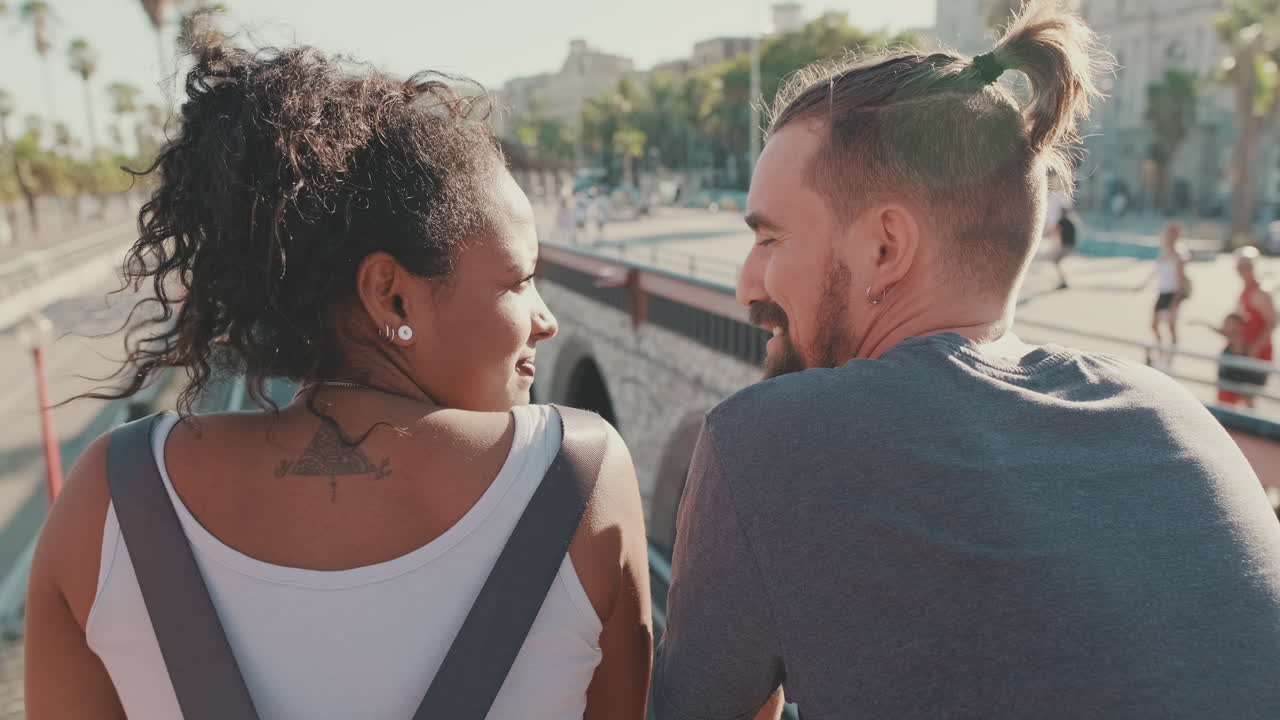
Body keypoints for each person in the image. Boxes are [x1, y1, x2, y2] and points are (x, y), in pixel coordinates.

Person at [654, 3, 1280, 719]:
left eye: (769, 240)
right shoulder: (1175, 415)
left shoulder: (766, 439)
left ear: (885, 249)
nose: (745, 283)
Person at [25, 44, 652, 719]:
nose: (546, 321)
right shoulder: (580, 478)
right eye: (518, 281)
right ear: (392, 296)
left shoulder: (111, 497)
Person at [1220, 246, 1276, 407]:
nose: (1243, 271)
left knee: (1248, 394)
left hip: (1256, 351)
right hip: (1243, 349)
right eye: (1240, 267)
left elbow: (1272, 322)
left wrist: (1255, 348)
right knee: (1237, 394)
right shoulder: (1245, 290)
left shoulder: (1260, 293)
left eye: (1248, 267)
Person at [1140, 221, 1191, 369]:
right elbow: (1157, 270)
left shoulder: (1180, 255)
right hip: (1162, 291)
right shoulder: (1164, 251)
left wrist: (1175, 302)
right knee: (1154, 325)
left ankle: (1169, 359)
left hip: (1173, 293)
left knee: (1171, 327)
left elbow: (1181, 280)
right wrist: (1144, 284)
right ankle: (1161, 352)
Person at [1201, 313, 1268, 407]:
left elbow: (1242, 356)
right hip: (1233, 377)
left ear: (1237, 326)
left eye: (1228, 323)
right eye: (1225, 323)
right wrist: (1202, 323)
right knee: (1240, 400)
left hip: (1239, 377)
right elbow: (1220, 331)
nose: (1224, 325)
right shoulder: (1232, 337)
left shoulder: (1237, 339)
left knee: (1245, 399)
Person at [1044, 182, 1075, 288]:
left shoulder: (1062, 221)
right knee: (1056, 261)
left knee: (1055, 261)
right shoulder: (1070, 221)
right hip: (1070, 246)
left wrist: (1048, 237)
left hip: (1066, 246)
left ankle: (1063, 281)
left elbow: (1056, 232)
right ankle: (1062, 280)